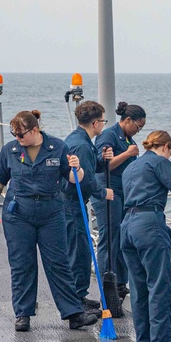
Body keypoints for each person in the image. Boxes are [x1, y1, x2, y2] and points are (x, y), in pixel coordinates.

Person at [0, 110, 99, 332]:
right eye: (14, 134)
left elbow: (74, 179)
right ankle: (23, 314)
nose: (17, 138)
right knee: (22, 264)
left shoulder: (58, 147)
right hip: (18, 214)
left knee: (59, 263)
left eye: (21, 134)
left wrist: (78, 167)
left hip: (51, 212)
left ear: (35, 130)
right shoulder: (10, 150)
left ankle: (73, 313)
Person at [119, 130, 171, 342]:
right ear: (166, 147)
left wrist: (169, 234)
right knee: (159, 286)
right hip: (149, 226)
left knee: (138, 288)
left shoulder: (131, 167)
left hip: (128, 227)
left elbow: (137, 203)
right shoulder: (159, 162)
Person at [63, 100, 114, 310]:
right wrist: (103, 193)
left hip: (73, 202)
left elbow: (89, 167)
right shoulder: (82, 145)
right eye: (102, 121)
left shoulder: (80, 140)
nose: (103, 124)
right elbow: (85, 178)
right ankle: (77, 299)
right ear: (95, 123)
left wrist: (102, 159)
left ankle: (78, 295)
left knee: (79, 249)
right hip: (72, 204)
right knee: (79, 251)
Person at [94, 101, 146, 303]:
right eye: (138, 126)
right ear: (128, 120)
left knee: (124, 235)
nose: (139, 131)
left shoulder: (127, 137)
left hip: (125, 192)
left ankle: (121, 283)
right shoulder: (109, 135)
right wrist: (127, 153)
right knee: (110, 236)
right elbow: (103, 167)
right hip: (108, 189)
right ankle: (107, 287)